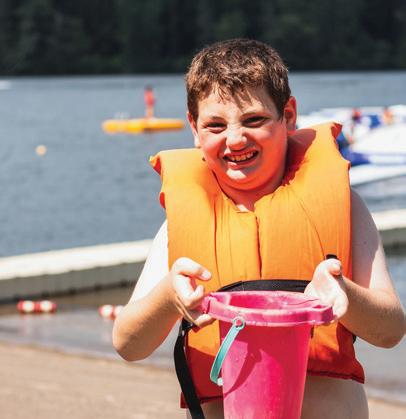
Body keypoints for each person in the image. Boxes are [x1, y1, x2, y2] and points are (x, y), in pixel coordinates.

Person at [113, 39, 405, 419]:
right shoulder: (179, 227)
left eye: (254, 120)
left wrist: (344, 294)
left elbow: (391, 331)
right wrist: (170, 295)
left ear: (288, 115)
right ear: (194, 129)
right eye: (215, 125)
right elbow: (128, 344)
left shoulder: (346, 206)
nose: (236, 139)